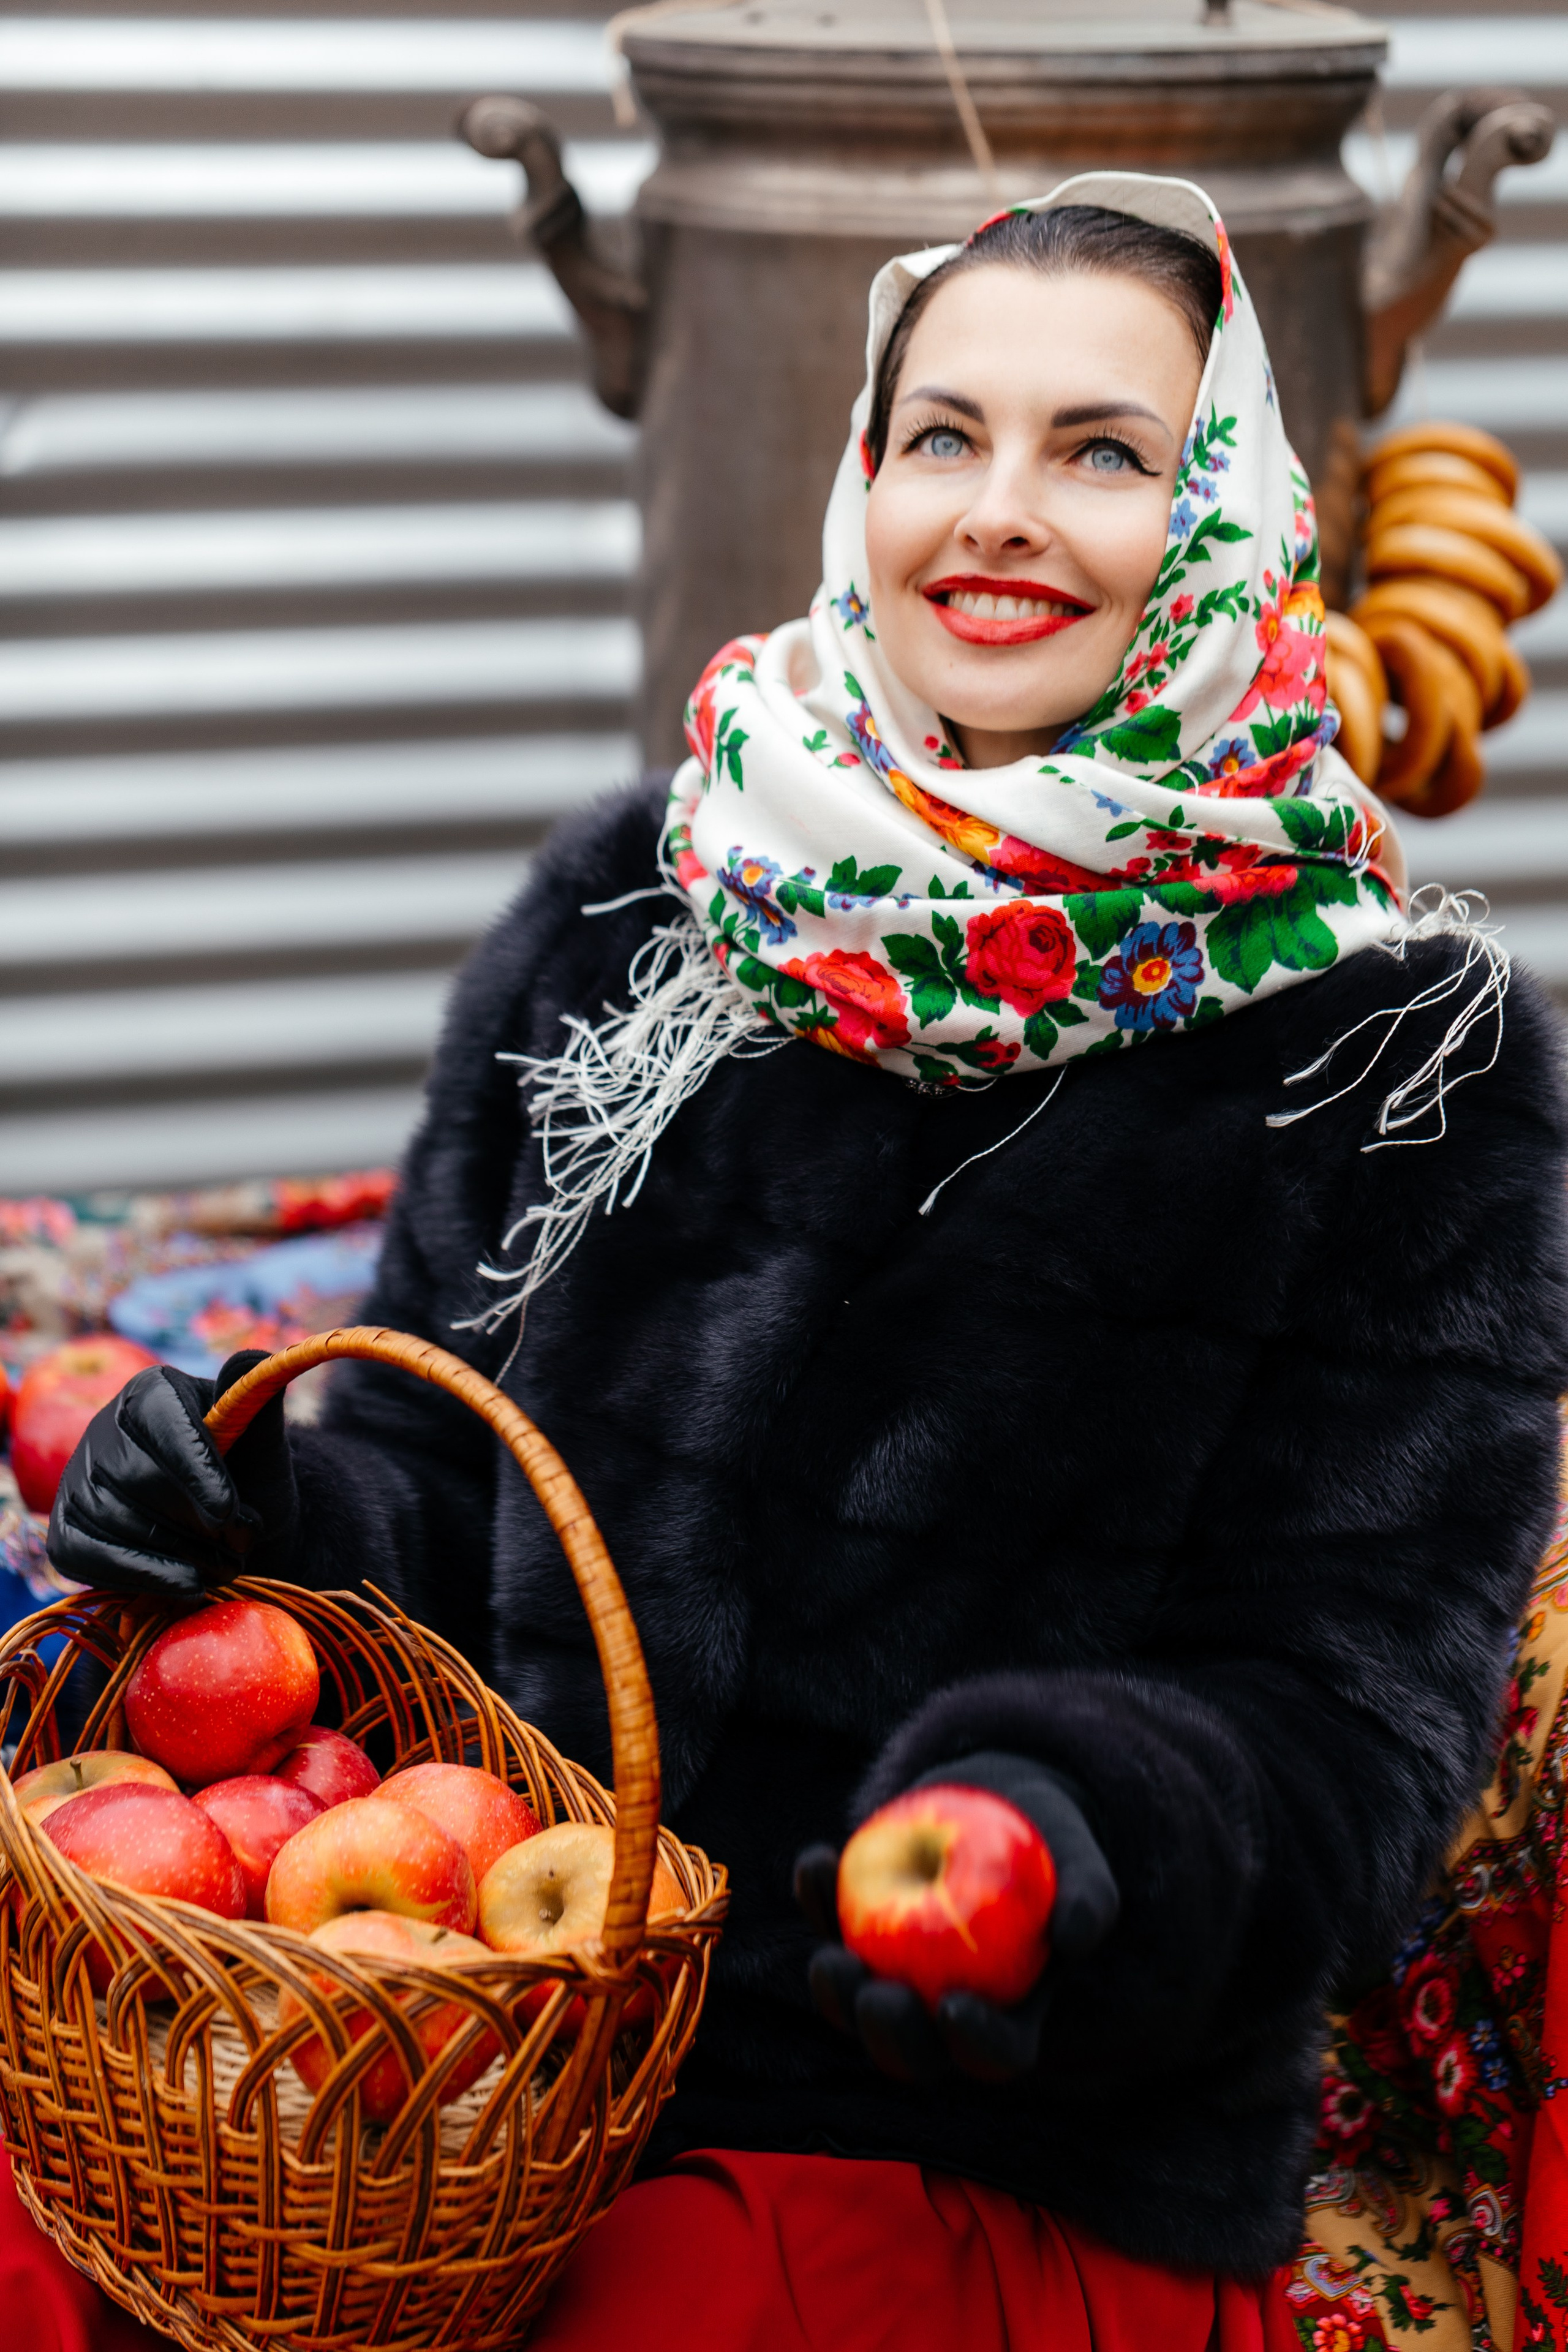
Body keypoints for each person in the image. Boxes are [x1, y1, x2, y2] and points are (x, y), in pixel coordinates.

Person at [44, 173, 1568, 2345]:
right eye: (943, 436)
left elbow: (1345, 1740)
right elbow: (431, 1470)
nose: (1000, 514)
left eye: (1104, 452)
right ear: (865, 472)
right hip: (494, 2075)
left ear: (1229, 518)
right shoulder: (632, 910)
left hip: (966, 2159)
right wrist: (242, 1506)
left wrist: (1063, 1838)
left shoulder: (1401, 1067)